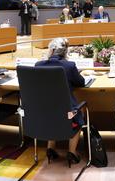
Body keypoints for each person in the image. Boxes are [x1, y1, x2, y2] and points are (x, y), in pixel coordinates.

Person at [35, 38, 86, 166]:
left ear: (51, 50)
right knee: (79, 115)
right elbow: (81, 82)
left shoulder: (38, 65)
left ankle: (51, 149)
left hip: (44, 113)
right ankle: (72, 152)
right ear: (65, 52)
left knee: (52, 113)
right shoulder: (69, 66)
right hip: (66, 115)